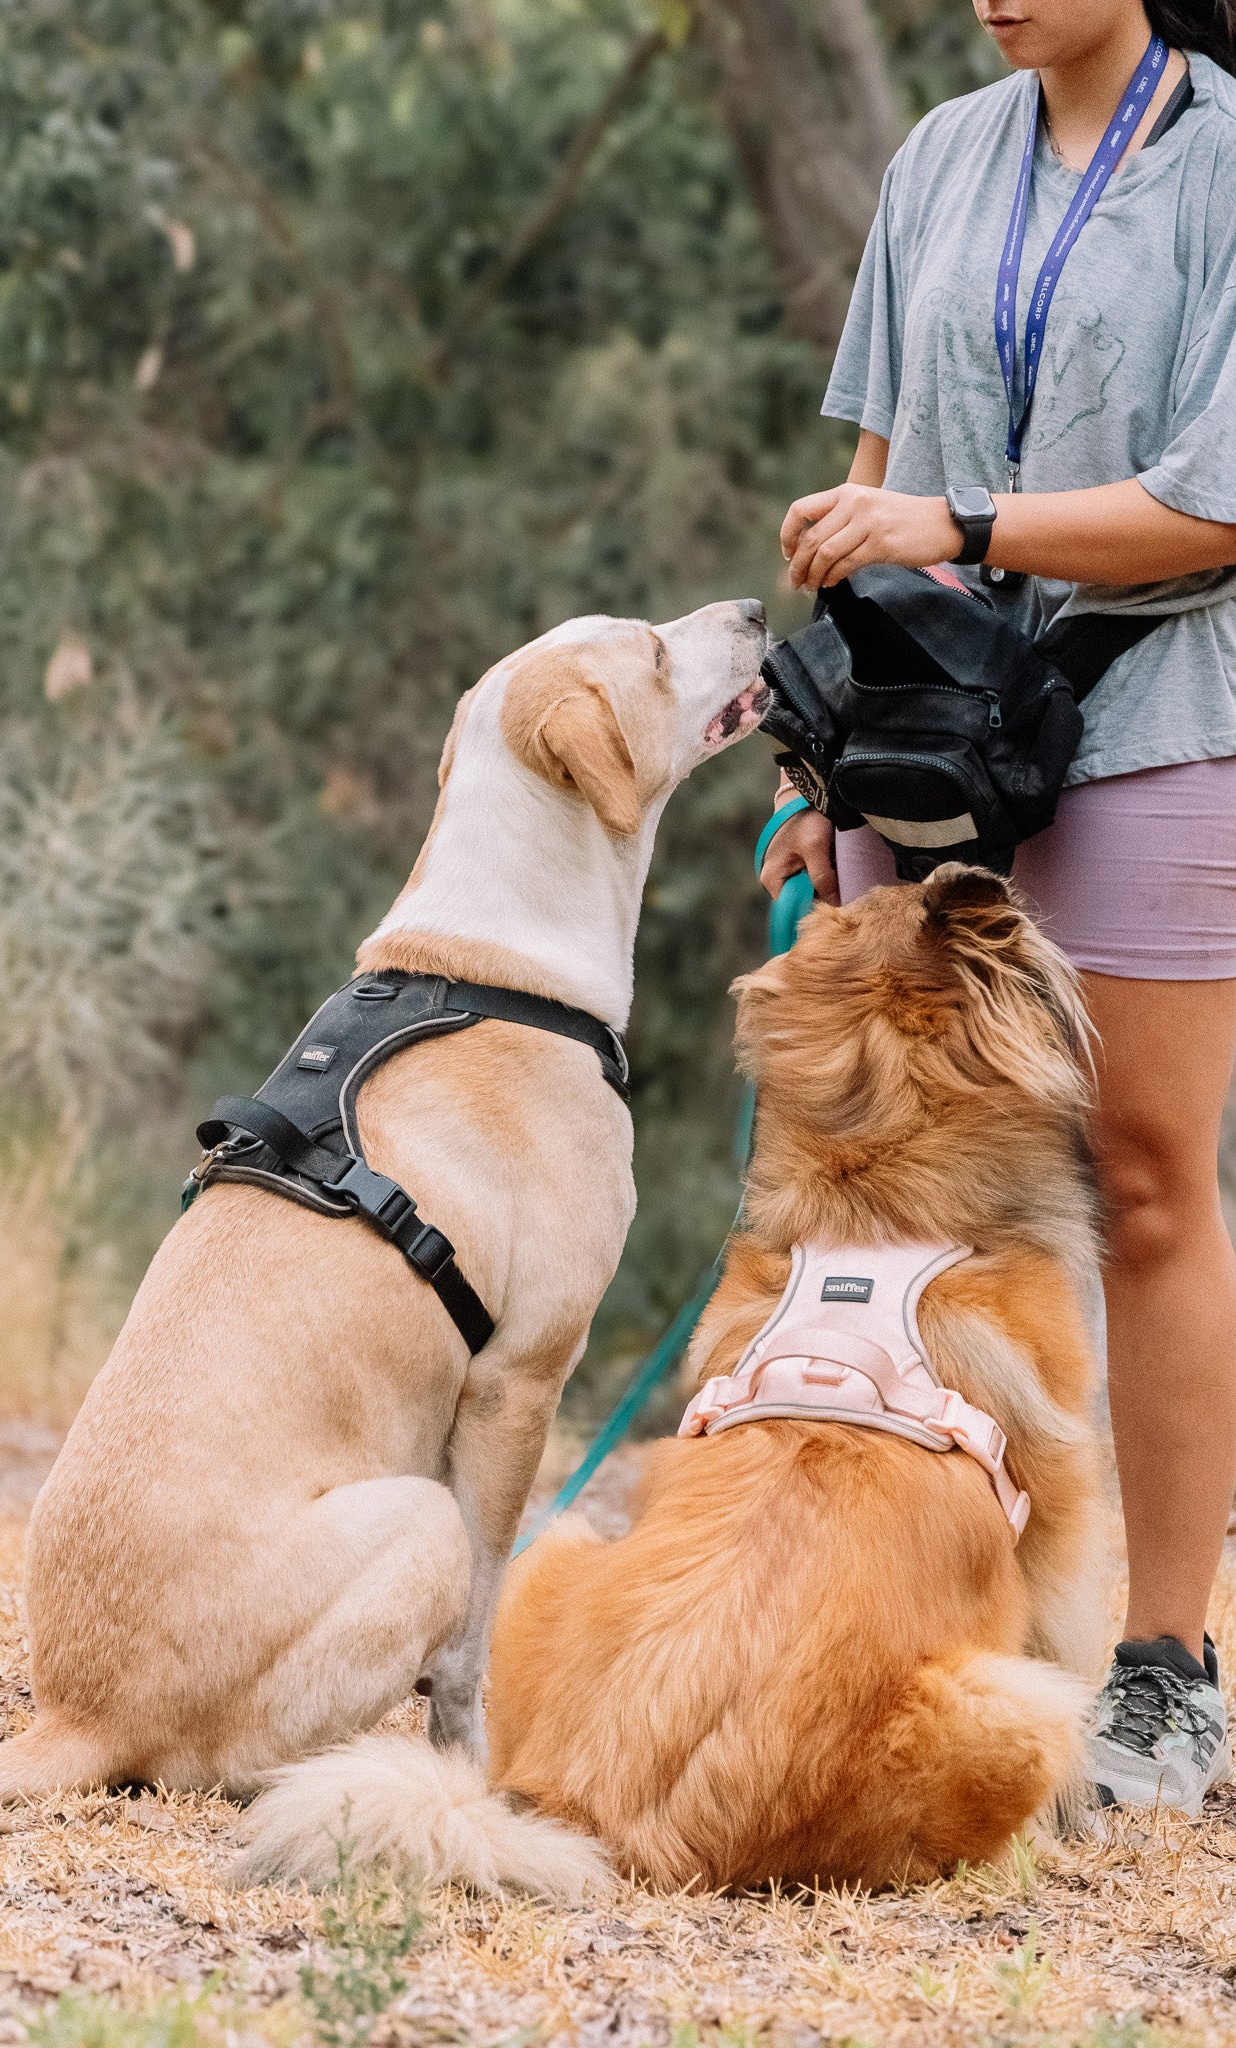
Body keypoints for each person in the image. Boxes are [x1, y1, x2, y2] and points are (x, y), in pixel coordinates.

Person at [761, 0, 1236, 1814]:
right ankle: (915, 1611)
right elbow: (857, 497)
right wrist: (815, 765)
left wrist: (952, 528)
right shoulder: (938, 154)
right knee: (906, 1175)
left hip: (1158, 722)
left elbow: (1211, 511)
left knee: (1135, 1177)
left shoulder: (1217, 161)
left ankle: (1165, 1670)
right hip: (922, 744)